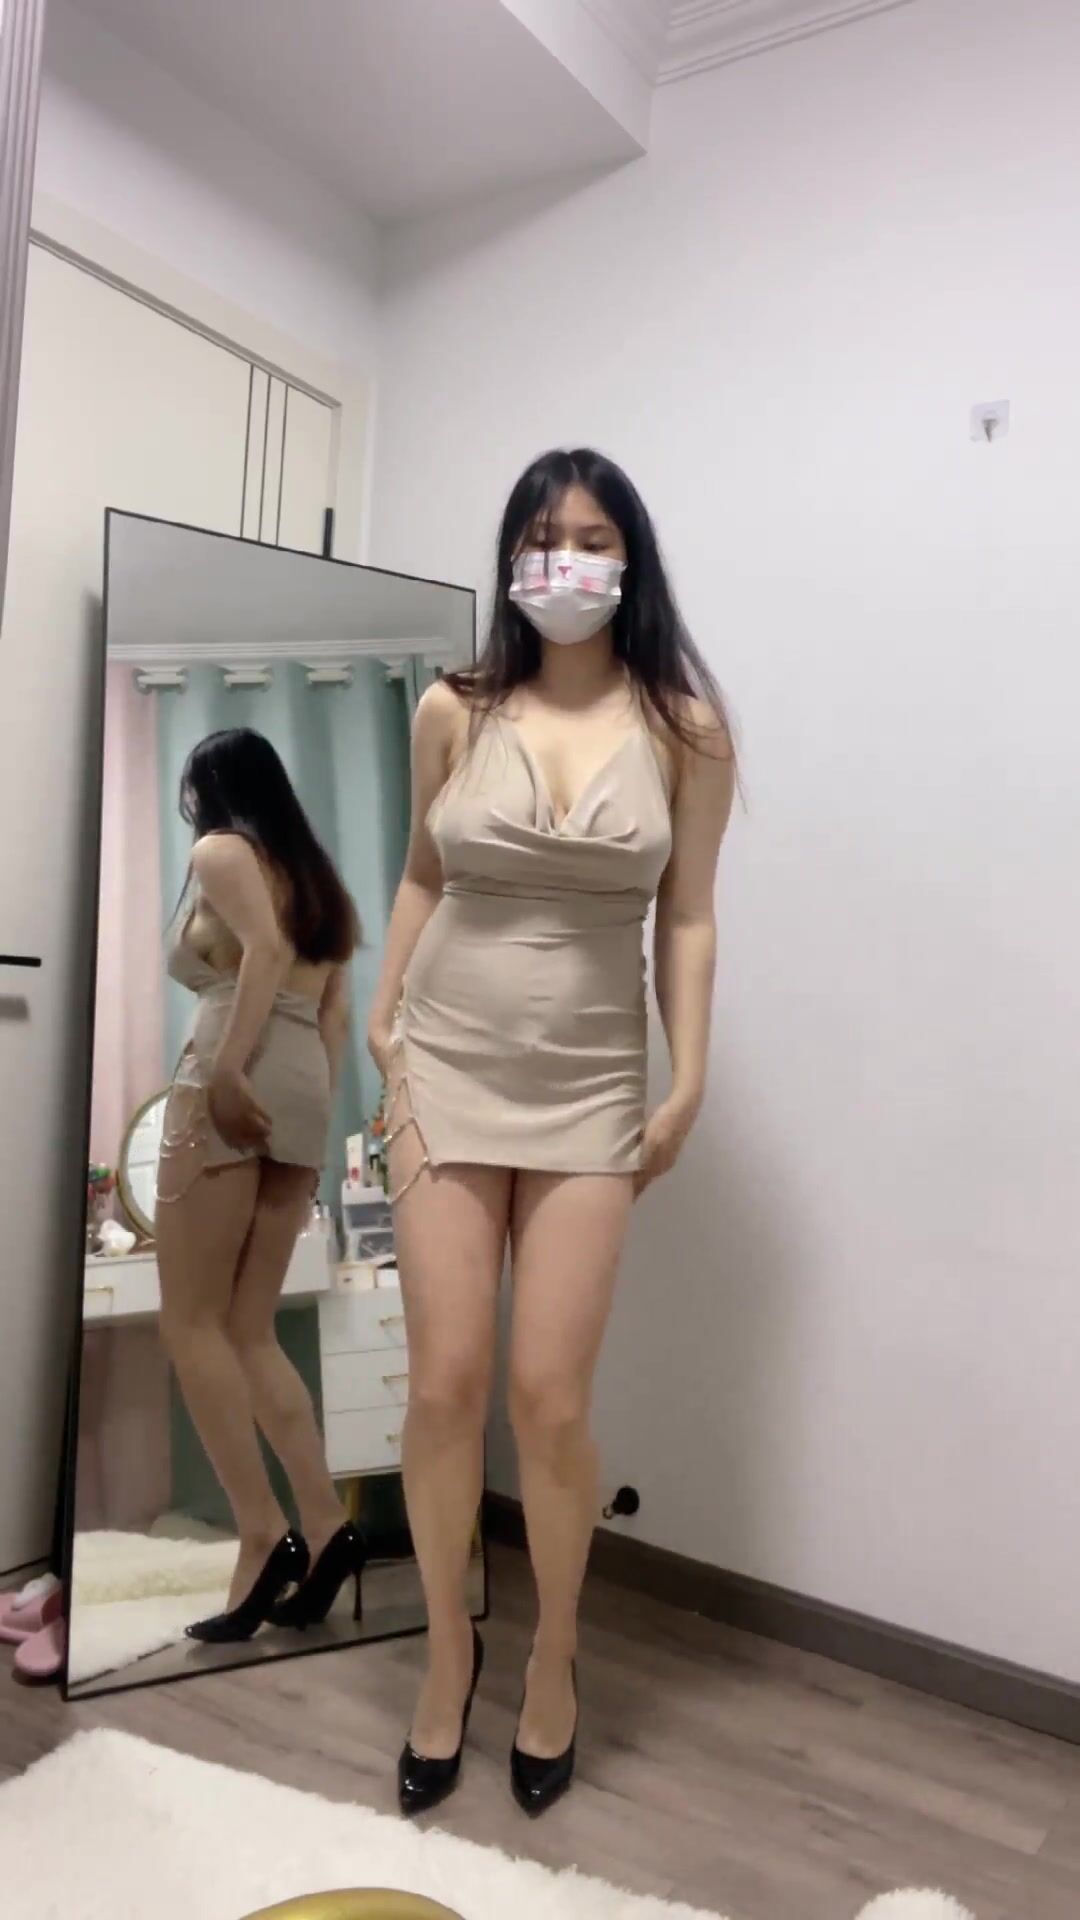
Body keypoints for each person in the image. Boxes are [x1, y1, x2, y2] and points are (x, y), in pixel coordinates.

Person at [367, 448, 736, 1817]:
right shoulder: (452, 709)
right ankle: (448, 1656)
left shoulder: (684, 727)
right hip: (444, 1070)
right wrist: (382, 1021)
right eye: (540, 535)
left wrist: (687, 1080)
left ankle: (557, 1653)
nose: (562, 559)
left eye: (589, 537)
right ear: (511, 557)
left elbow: (687, 915)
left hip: (590, 1087)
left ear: (629, 560)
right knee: (443, 1389)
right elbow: (422, 874)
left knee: (550, 1401)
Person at [156, 727, 366, 1642]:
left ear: (209, 790)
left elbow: (265, 954)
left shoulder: (221, 851)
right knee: (248, 1328)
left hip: (234, 1072)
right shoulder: (319, 881)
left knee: (189, 1321)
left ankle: (260, 1532)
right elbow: (335, 1014)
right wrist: (308, 1122)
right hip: (306, 1083)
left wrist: (229, 1070)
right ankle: (324, 1527)